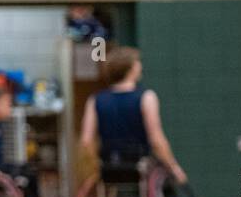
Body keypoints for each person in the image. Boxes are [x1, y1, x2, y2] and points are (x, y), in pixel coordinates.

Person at [79, 46, 187, 185]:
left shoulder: (95, 100)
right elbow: (156, 139)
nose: (140, 66)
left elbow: (86, 141)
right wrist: (173, 167)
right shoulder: (146, 97)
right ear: (131, 67)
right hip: (140, 167)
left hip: (109, 166)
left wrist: (95, 168)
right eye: (137, 62)